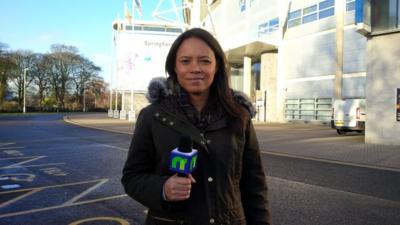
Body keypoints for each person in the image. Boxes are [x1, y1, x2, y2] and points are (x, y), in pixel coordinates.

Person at [121, 28, 271, 225]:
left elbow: (255, 186)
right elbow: (132, 177)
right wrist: (163, 188)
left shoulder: (239, 115)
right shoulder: (152, 116)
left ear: (216, 66)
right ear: (174, 67)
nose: (195, 68)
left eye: (205, 61)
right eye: (185, 61)